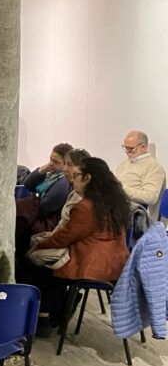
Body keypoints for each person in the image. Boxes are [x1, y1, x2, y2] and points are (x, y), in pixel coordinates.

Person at [30, 157, 130, 336]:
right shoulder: (115, 201)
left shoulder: (86, 207)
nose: (72, 180)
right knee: (49, 265)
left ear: (88, 178)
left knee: (40, 267)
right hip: (114, 264)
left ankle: (44, 319)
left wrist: (39, 245)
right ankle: (56, 313)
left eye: (76, 175)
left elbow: (64, 238)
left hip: (92, 266)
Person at [115, 130, 166, 219]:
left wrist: (121, 189)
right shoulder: (125, 163)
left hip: (134, 215)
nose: (127, 151)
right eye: (125, 147)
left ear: (143, 147)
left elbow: (151, 197)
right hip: (117, 207)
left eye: (130, 148)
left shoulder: (154, 167)